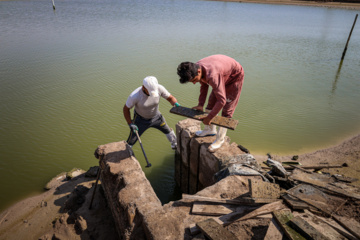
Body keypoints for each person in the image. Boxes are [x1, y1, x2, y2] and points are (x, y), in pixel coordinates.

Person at [177, 54, 244, 152]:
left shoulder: (212, 75)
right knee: (211, 103)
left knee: (227, 110)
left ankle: (220, 139)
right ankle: (210, 130)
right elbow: (203, 85)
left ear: (198, 71)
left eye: (195, 80)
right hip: (221, 72)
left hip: (234, 76)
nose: (195, 83)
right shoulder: (196, 67)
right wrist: (200, 104)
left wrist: (209, 117)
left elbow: (222, 101)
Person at [123, 76, 180, 149]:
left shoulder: (159, 88)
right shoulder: (135, 96)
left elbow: (170, 98)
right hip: (140, 120)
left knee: (168, 131)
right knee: (132, 140)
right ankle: (126, 152)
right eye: (149, 92)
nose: (151, 94)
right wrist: (130, 123)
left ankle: (175, 145)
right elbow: (126, 109)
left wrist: (175, 104)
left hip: (156, 117)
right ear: (143, 87)